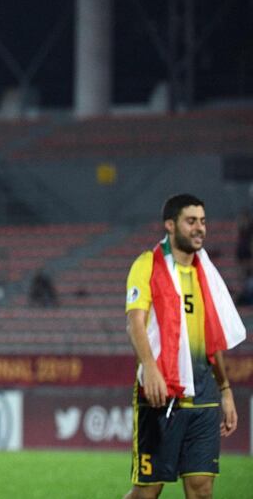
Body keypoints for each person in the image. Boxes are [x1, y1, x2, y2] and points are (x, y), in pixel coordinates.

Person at [123, 194, 246, 499]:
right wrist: (150, 367)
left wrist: (226, 390)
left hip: (204, 395)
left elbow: (212, 338)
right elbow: (135, 323)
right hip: (161, 393)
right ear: (170, 225)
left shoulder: (207, 275)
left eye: (203, 222)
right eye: (191, 221)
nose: (200, 228)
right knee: (148, 491)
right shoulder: (147, 265)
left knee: (201, 490)